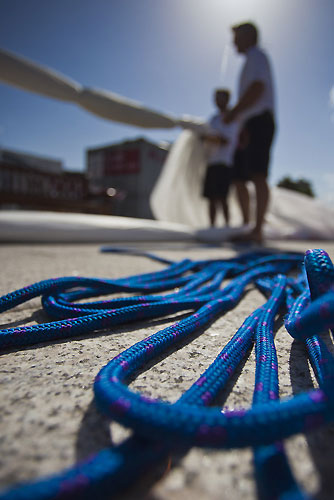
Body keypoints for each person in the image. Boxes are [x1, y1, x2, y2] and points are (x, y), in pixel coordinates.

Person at [224, 22, 276, 243]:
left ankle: (257, 230)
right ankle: (248, 226)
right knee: (239, 177)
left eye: (236, 36)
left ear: (248, 36)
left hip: (260, 120)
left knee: (258, 174)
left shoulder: (257, 56)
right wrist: (241, 124)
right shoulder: (250, 60)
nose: (233, 42)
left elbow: (258, 88)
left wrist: (234, 112)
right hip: (248, 124)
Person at [202, 88, 238, 227]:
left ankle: (226, 226)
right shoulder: (213, 119)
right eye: (215, 98)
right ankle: (212, 227)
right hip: (211, 162)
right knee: (211, 197)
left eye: (220, 97)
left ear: (227, 99)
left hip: (224, 162)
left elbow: (227, 140)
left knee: (222, 197)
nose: (216, 101)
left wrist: (210, 138)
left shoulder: (231, 117)